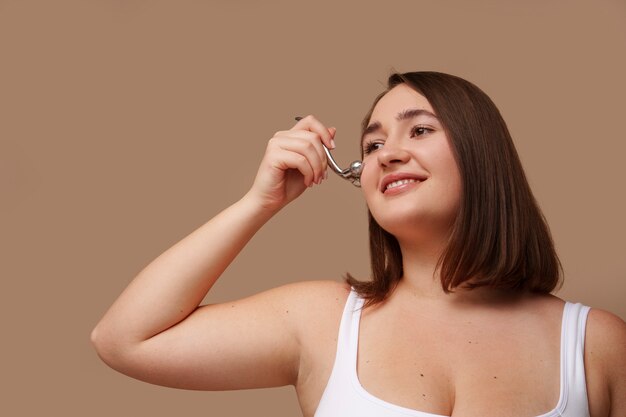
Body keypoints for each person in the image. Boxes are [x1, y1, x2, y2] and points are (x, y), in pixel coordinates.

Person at [91, 71, 625, 416]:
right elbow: (125, 339)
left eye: (419, 131)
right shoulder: (322, 322)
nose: (388, 153)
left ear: (482, 153)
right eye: (372, 143)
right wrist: (261, 202)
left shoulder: (596, 345)